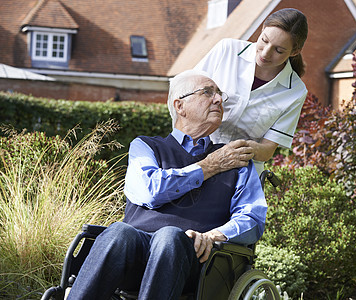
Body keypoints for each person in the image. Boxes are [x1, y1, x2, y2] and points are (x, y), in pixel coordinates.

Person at [67, 69, 267, 300]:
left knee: (169, 236)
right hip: (134, 254)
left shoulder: (235, 159)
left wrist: (213, 236)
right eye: (208, 92)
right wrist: (208, 167)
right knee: (119, 231)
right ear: (180, 106)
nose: (219, 99)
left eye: (220, 95)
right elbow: (148, 191)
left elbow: (253, 219)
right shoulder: (146, 147)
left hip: (195, 260)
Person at [194, 8, 308, 174]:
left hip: (241, 174)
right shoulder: (227, 50)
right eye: (264, 40)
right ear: (262, 29)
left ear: (294, 52)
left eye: (279, 50)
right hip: (195, 156)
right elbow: (184, 93)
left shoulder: (296, 92)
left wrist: (251, 149)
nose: (266, 53)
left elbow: (267, 150)